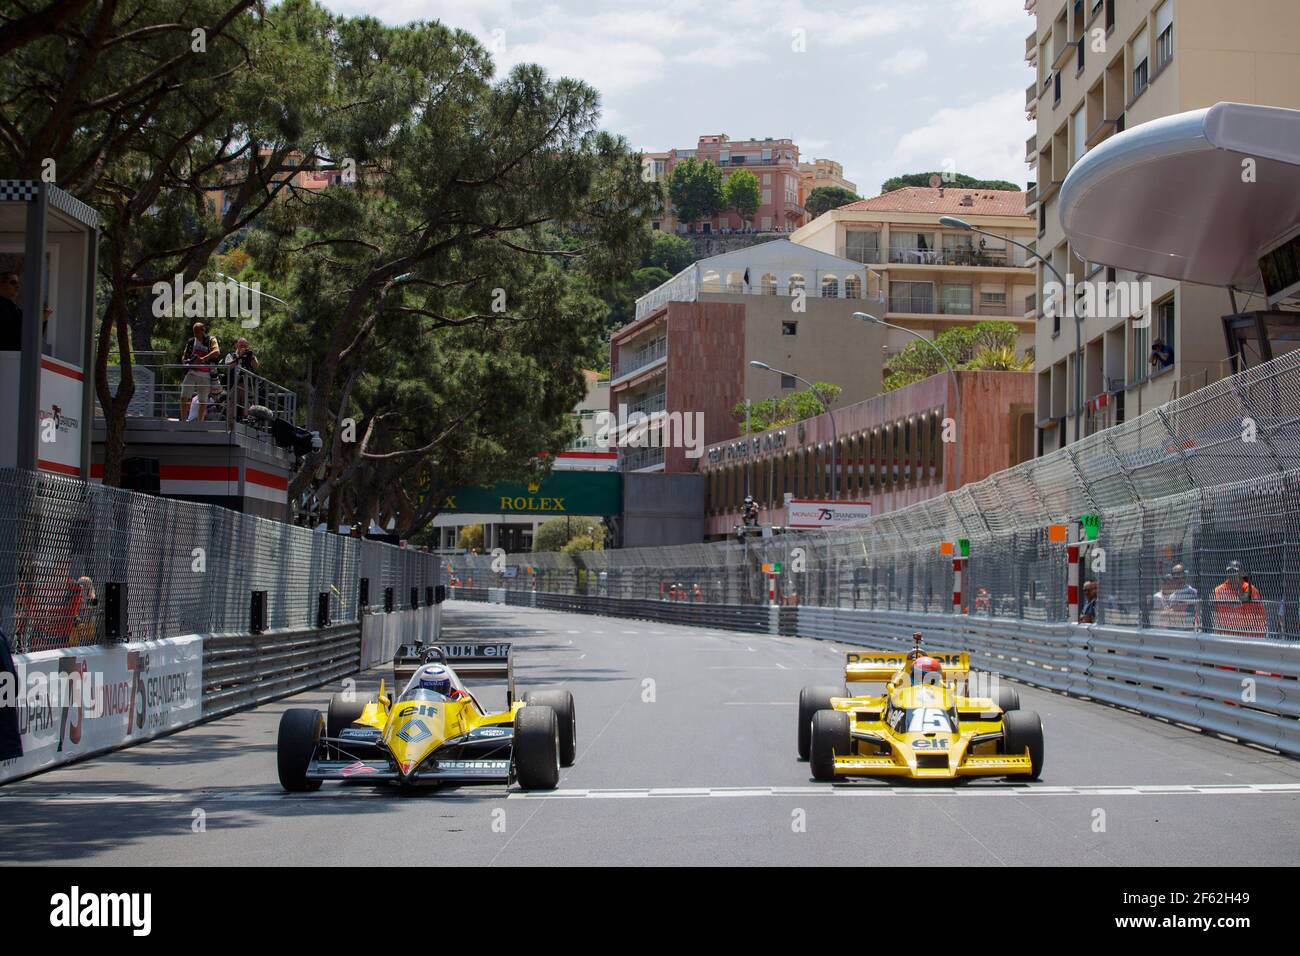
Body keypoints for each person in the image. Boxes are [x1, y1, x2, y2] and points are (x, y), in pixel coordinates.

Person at [1, 268, 52, 352]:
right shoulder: (6, 307)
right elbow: (13, 333)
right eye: (13, 283)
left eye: (18, 283)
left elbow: (31, 336)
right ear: (1, 284)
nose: (17, 286)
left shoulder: (13, 307)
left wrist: (42, 320)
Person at [1212, 560, 1267, 637]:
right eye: (1229, 572)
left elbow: (1260, 613)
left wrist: (1259, 635)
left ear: (1242, 573)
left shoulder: (1250, 589)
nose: (1231, 574)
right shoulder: (1219, 590)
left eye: (1235, 571)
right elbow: (1214, 612)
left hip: (1247, 634)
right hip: (1225, 633)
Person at [179, 322, 219, 422]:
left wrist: (203, 359)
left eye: (197, 331)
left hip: (205, 374)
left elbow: (216, 352)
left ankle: (199, 423)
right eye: (194, 331)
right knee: (184, 397)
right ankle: (183, 421)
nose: (196, 334)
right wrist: (187, 361)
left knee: (203, 401)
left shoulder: (210, 340)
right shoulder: (191, 342)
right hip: (192, 372)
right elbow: (184, 357)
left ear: (203, 330)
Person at [223, 336, 261, 419]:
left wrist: (252, 357)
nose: (243, 348)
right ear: (237, 345)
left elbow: (256, 367)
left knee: (247, 409)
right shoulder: (231, 355)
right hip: (235, 385)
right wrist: (239, 357)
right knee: (232, 408)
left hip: (248, 385)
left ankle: (247, 427)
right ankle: (230, 426)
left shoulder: (250, 355)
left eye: (245, 346)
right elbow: (227, 367)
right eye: (241, 346)